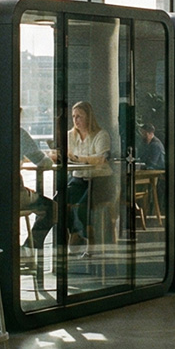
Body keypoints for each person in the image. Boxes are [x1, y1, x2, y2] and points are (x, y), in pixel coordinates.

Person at [66, 100, 111, 245]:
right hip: (78, 178)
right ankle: (75, 233)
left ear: (88, 117)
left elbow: (101, 159)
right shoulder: (70, 136)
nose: (76, 120)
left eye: (79, 116)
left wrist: (78, 158)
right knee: (58, 202)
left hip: (99, 180)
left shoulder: (101, 135)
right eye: (73, 116)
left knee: (82, 207)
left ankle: (87, 237)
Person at [19, 120, 54, 256]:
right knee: (51, 208)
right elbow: (45, 162)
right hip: (16, 193)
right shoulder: (20, 133)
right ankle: (30, 247)